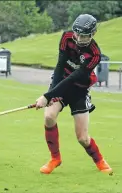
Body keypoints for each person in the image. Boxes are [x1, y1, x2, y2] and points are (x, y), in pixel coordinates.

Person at [35, 14, 113, 175]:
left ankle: (99, 159)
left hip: (79, 90)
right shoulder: (66, 37)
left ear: (93, 34)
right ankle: (55, 159)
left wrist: (47, 97)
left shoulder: (95, 54)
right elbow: (59, 66)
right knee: (49, 116)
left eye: (84, 35)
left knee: (82, 138)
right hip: (61, 84)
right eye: (77, 34)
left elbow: (73, 78)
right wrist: (50, 93)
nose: (79, 38)